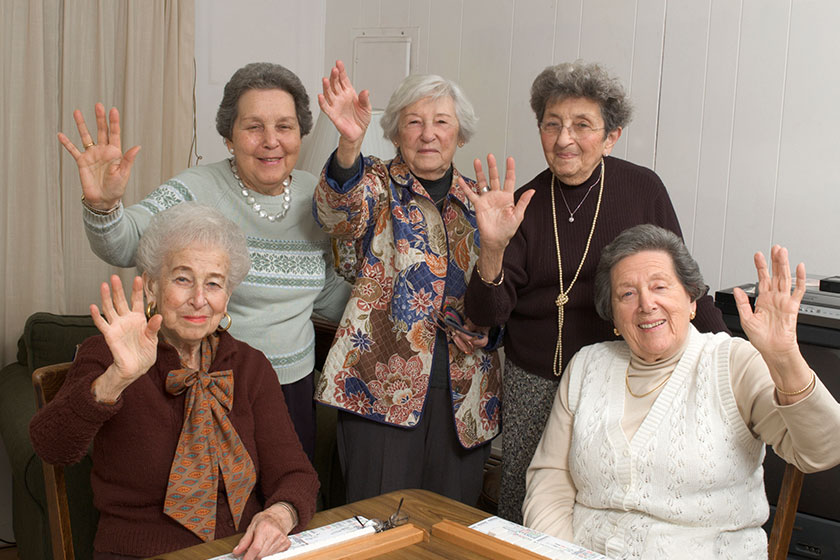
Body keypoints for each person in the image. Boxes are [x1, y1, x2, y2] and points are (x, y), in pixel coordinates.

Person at [461, 60, 729, 522]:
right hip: (536, 382)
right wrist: (491, 248)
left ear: (611, 137)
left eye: (582, 125)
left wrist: (727, 362)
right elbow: (487, 314)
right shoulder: (522, 203)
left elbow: (684, 285)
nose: (564, 139)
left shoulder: (641, 189)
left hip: (623, 380)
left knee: (610, 506)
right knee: (530, 506)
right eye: (552, 125)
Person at [57, 62, 351, 459]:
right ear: (229, 138)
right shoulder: (195, 188)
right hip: (215, 381)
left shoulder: (318, 196)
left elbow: (326, 291)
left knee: (290, 505)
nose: (271, 141)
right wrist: (104, 206)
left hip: (294, 388)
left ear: (300, 135)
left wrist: (395, 304)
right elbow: (125, 245)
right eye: (253, 127)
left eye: (284, 126)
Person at [522, 224, 840, 558]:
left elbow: (822, 451)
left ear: (691, 300)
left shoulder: (732, 363)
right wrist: (558, 555)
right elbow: (550, 481)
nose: (647, 304)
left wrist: (785, 358)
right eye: (627, 294)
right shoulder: (587, 365)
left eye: (660, 286)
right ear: (613, 315)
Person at [30, 203, 319, 559]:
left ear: (227, 297)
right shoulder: (109, 355)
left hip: (244, 551)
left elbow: (296, 474)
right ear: (151, 286)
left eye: (214, 283)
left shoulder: (250, 366)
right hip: (142, 553)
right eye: (182, 279)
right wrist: (115, 380)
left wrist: (278, 516)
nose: (199, 299)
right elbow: (50, 446)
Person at [311, 60, 501, 505]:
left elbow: (505, 291)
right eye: (414, 122)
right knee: (377, 527)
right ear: (396, 133)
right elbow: (335, 213)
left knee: (448, 532)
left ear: (460, 133)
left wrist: (493, 330)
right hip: (376, 394)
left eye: (441, 122)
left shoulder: (483, 202)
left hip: (464, 397)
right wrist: (348, 146)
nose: (428, 133)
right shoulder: (375, 183)